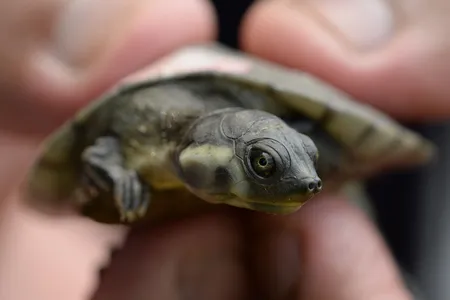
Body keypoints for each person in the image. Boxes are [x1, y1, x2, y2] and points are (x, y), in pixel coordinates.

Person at [0, 0, 448, 299]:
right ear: (203, 150)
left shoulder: (284, 135)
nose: (309, 182)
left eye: (308, 156)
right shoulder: (139, 116)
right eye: (262, 164)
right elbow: (96, 148)